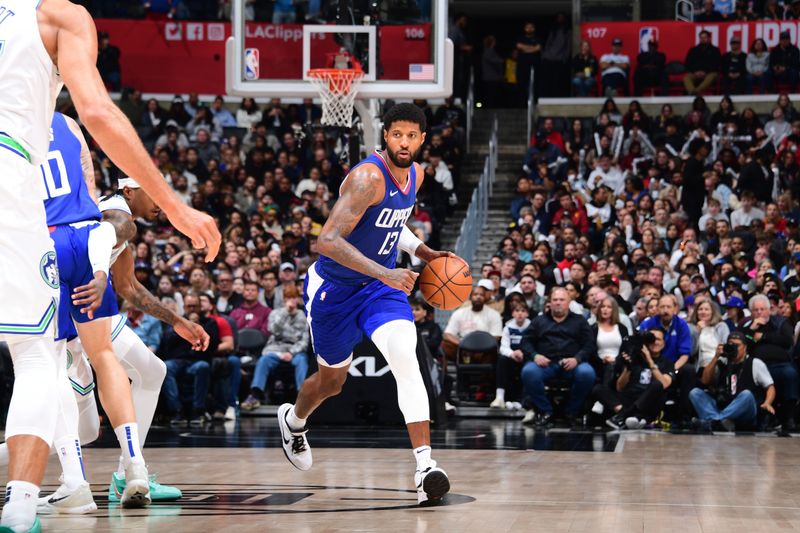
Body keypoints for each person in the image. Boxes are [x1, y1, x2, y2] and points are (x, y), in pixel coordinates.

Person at [1, 2, 211, 528]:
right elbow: (99, 117)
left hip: (55, 237)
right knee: (38, 359)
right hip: (48, 224)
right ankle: (35, 499)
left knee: (110, 367)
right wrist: (176, 206)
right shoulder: (60, 27)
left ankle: (90, 477)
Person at [276, 104, 456, 505]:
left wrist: (423, 251)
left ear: (422, 139)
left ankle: (425, 466)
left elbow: (393, 222)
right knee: (332, 383)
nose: (404, 143)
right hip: (335, 291)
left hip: (379, 291)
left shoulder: (417, 174)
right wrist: (386, 273)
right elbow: (327, 241)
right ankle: (293, 421)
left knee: (406, 357)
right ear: (385, 136)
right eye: (397, 135)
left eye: (412, 136)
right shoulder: (366, 178)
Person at [519, 287, 597, 427]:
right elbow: (526, 341)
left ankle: (571, 411)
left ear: (569, 302)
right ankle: (545, 411)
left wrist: (577, 359)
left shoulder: (579, 321)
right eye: (555, 300)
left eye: (562, 300)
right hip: (545, 364)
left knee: (587, 373)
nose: (558, 303)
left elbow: (589, 345)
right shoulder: (539, 321)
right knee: (528, 372)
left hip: (573, 363)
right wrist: (535, 356)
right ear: (550, 302)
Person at [689, 331, 776, 431]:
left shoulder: (755, 363)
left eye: (737, 345)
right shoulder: (722, 362)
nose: (733, 348)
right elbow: (704, 381)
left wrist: (767, 403)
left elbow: (770, 387)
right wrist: (716, 357)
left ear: (745, 347)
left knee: (747, 395)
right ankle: (721, 422)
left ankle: (714, 421)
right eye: (730, 345)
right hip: (724, 406)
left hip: (745, 411)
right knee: (695, 393)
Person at [240, 285, 309, 411]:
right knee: (264, 360)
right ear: (283, 299)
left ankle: (303, 398)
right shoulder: (275, 313)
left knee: (302, 360)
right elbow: (274, 330)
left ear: (298, 299)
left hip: (295, 351)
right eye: (288, 297)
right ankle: (255, 395)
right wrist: (285, 312)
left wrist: (291, 352)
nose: (291, 301)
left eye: (293, 297)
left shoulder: (303, 316)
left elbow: (304, 341)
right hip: (275, 349)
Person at [593, 328, 675, 429]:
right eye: (651, 339)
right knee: (598, 389)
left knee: (657, 385)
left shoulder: (667, 363)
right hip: (630, 398)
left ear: (663, 343)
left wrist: (649, 360)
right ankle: (632, 416)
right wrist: (628, 368)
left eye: (658, 339)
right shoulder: (635, 357)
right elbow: (620, 387)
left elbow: (664, 384)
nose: (654, 342)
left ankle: (623, 417)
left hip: (649, 400)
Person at [741, 294, 799, 431]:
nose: (760, 312)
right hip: (758, 366)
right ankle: (763, 417)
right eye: (756, 310)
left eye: (762, 309)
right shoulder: (747, 325)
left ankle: (789, 417)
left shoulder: (780, 322)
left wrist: (763, 337)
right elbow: (743, 344)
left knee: (790, 374)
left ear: (769, 309)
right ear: (752, 312)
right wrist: (751, 330)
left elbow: (787, 341)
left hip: (780, 364)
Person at [160, 294, 220, 427]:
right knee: (166, 367)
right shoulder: (176, 322)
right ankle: (177, 410)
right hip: (178, 360)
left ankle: (197, 411)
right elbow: (166, 341)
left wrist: (197, 325)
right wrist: (186, 327)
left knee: (203, 367)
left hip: (197, 361)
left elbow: (214, 343)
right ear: (184, 307)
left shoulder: (209, 322)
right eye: (189, 306)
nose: (192, 309)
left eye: (195, 306)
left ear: (200, 307)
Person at [490, 303, 530, 409]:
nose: (520, 314)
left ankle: (524, 400)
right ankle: (499, 397)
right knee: (501, 359)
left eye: (522, 311)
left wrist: (524, 353)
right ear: (512, 313)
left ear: (527, 313)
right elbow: (503, 347)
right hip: (512, 358)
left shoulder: (532, 327)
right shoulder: (508, 327)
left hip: (527, 358)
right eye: (517, 311)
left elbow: (534, 345)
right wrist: (512, 354)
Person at [683, 30, 721, 95]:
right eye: (701, 38)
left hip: (709, 73)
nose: (703, 39)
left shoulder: (715, 50)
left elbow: (717, 64)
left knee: (712, 75)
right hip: (695, 73)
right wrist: (696, 72)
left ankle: (696, 92)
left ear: (709, 38)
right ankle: (692, 91)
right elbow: (688, 63)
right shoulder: (693, 50)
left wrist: (705, 72)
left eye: (705, 37)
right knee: (686, 78)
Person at [516, 21, 542, 104]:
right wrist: (532, 48)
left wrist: (525, 49)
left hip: (534, 66)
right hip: (522, 66)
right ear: (525, 29)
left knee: (533, 84)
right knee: (522, 85)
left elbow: (538, 48)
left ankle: (534, 101)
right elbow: (519, 46)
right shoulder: (521, 38)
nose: (529, 29)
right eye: (528, 27)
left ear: (534, 29)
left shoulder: (537, 39)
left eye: (531, 27)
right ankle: (522, 103)